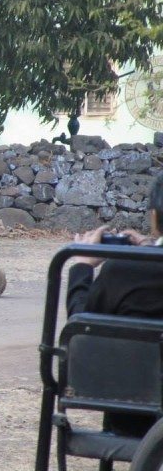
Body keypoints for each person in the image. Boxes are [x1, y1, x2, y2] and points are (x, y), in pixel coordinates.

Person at [66, 172, 163, 436]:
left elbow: (82, 333)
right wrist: (150, 247)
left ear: (154, 216)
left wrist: (82, 268)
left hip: (133, 420)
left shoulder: (124, 269)